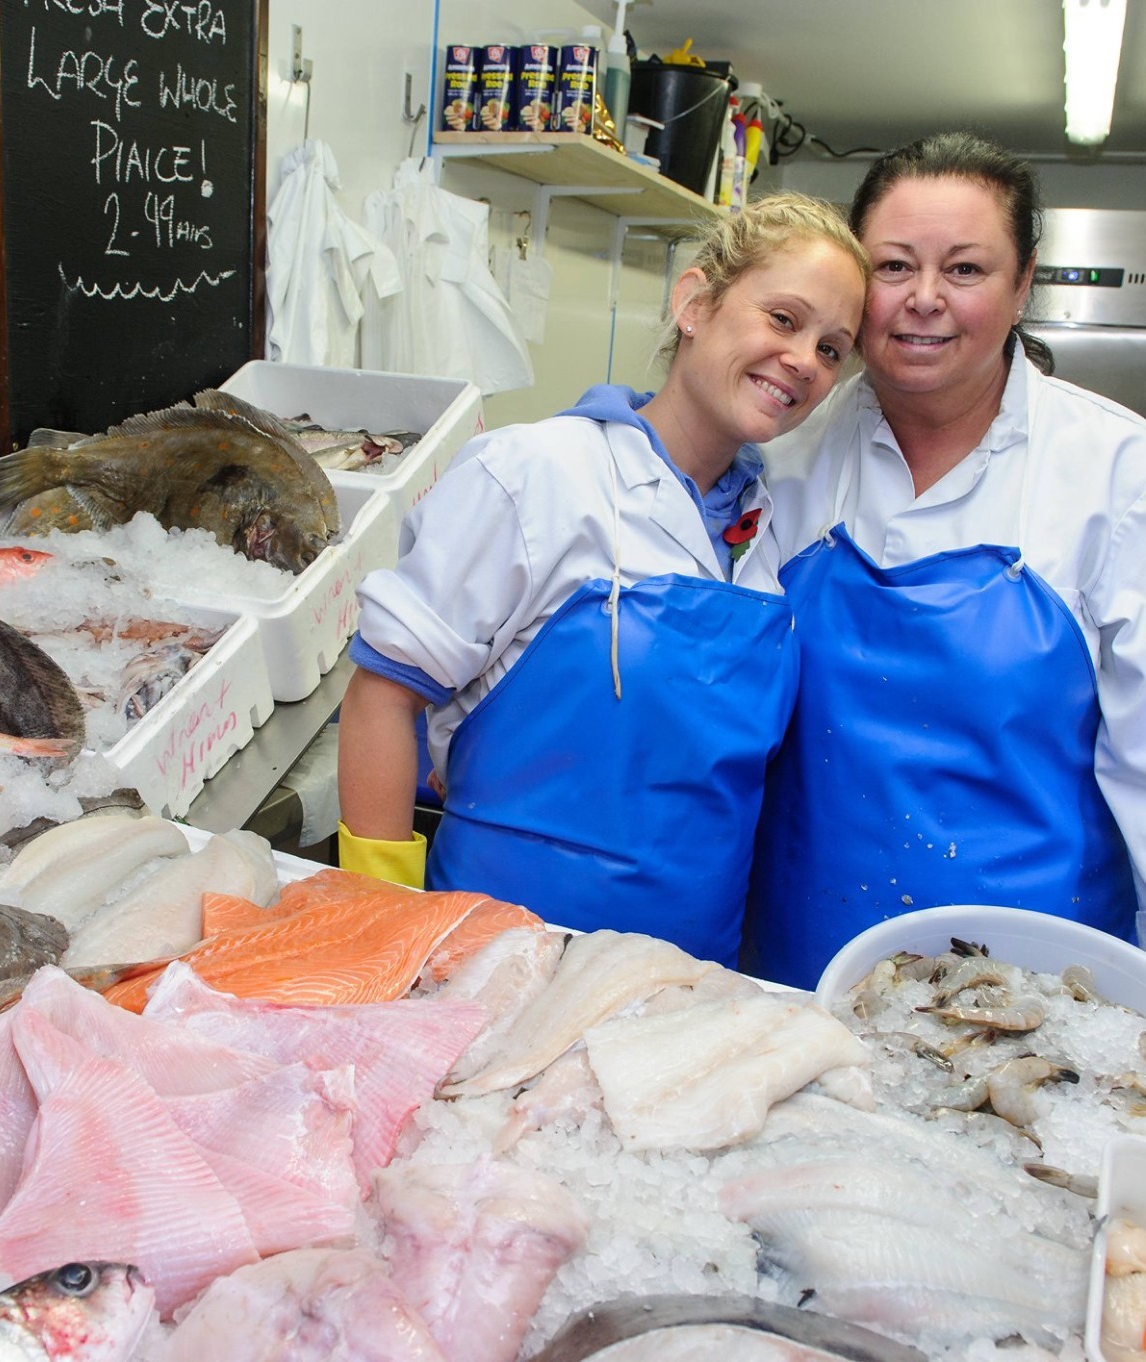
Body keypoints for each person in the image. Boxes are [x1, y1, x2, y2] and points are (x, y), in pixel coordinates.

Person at [747, 134, 1146, 1030]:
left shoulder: (1120, 474)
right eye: (895, 265)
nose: (925, 299)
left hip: (1030, 991)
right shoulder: (786, 455)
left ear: (1024, 288)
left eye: (967, 268)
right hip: (797, 963)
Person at [335, 194, 870, 967]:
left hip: (687, 972)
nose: (803, 360)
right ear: (694, 303)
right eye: (783, 319)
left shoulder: (778, 528)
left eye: (832, 349)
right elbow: (384, 695)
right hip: (493, 956)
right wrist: (378, 926)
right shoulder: (536, 475)